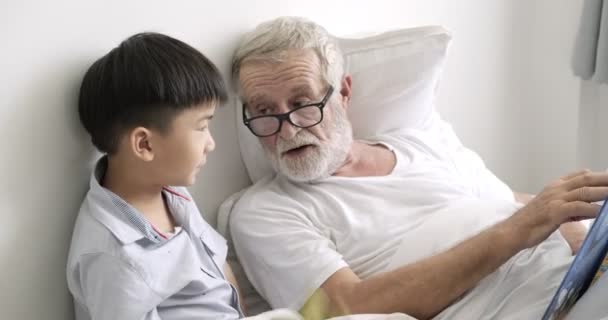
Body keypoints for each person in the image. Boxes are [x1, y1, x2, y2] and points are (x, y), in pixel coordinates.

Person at [229, 17, 608, 320]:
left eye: (302, 101)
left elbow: (517, 204)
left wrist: (577, 233)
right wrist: (524, 227)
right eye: (264, 111)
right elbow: (346, 309)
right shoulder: (266, 211)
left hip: (572, 280)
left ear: (343, 93)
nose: (288, 129)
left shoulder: (421, 142)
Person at [66, 32, 245, 320]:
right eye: (201, 127)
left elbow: (221, 272)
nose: (211, 143)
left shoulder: (173, 193)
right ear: (145, 145)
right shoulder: (112, 257)